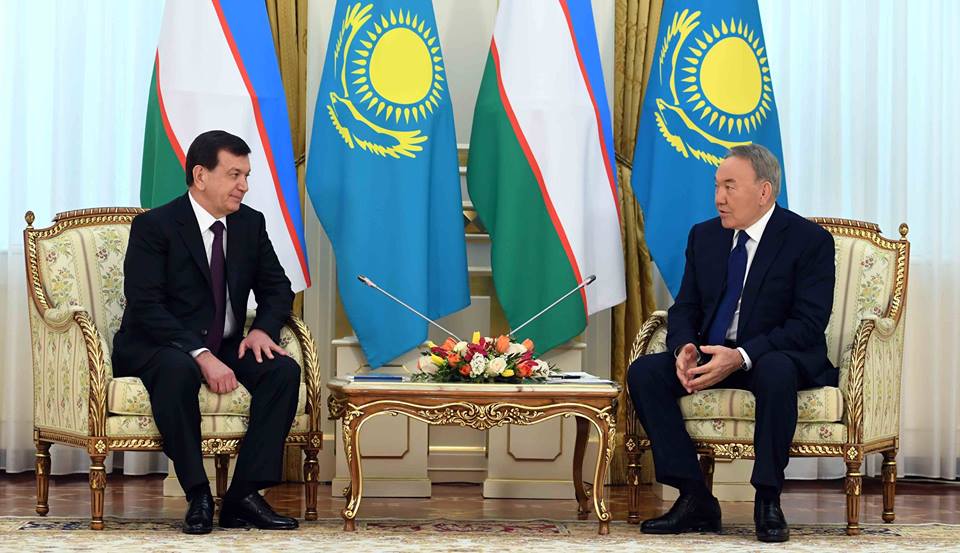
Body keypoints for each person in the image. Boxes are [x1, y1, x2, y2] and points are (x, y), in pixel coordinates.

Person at [627, 144, 836, 543]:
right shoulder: (705, 236)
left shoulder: (808, 241)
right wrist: (684, 349)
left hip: (772, 355)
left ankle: (768, 499)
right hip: (712, 354)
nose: (718, 198)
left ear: (764, 192)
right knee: (645, 373)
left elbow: (807, 325)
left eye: (729, 186)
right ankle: (694, 497)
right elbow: (685, 307)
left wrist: (740, 356)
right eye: (717, 186)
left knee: (776, 371)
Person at [112, 130, 301, 534]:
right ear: (200, 175)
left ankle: (243, 495)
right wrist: (200, 354)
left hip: (225, 342)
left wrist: (262, 331)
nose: (244, 186)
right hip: (158, 344)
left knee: (282, 371)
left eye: (246, 176)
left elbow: (277, 289)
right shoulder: (155, 226)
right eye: (234, 175)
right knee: (178, 369)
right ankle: (198, 493)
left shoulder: (250, 224)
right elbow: (146, 305)